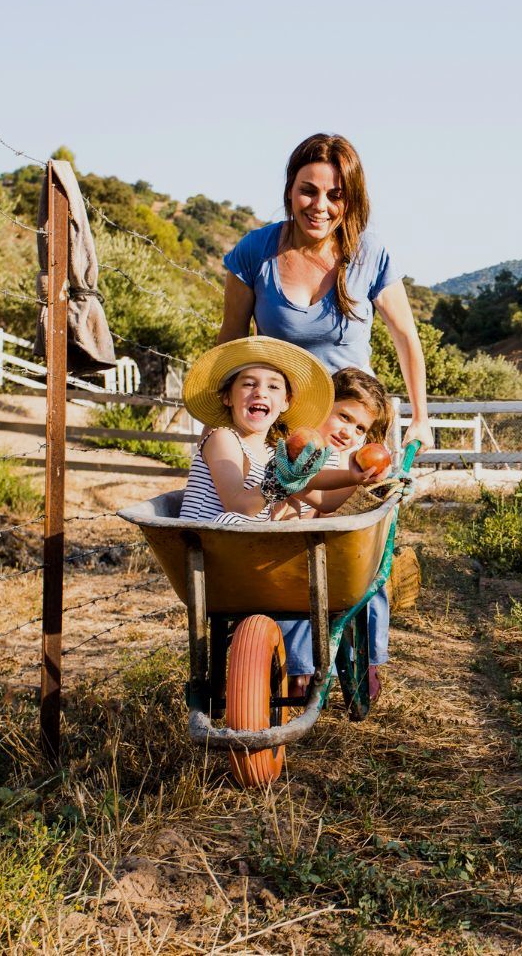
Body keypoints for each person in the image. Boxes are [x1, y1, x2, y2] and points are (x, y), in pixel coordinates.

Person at [218, 132, 434, 452]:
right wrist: (220, 428)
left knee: (348, 501)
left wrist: (420, 418)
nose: (320, 206)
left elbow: (406, 338)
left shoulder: (369, 253)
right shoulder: (254, 251)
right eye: (308, 191)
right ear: (290, 190)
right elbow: (231, 345)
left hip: (351, 431)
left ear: (351, 200)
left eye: (335, 195)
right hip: (282, 431)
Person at [278, 368, 394, 699]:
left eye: (360, 428)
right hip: (289, 546)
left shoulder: (345, 461)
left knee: (365, 578)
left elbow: (330, 504)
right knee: (303, 586)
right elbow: (306, 495)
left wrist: (365, 480)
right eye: (344, 416)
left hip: (319, 548)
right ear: (321, 406)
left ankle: (367, 659)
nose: (349, 432)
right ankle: (299, 667)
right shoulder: (302, 447)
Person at [179, 336, 379, 524]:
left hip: (240, 548)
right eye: (249, 384)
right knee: (242, 517)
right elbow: (237, 507)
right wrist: (279, 484)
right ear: (227, 398)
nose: (260, 393)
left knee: (289, 505)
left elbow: (324, 499)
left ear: (285, 402)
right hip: (204, 541)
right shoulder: (223, 438)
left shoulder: (274, 454)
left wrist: (357, 479)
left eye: (273, 387)